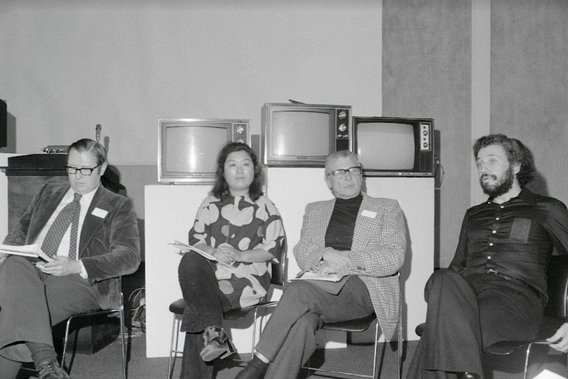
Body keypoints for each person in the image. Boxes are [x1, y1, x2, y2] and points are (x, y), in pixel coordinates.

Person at [407, 134, 568, 379]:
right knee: (441, 279)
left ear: (515, 166)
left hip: (516, 302)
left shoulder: (546, 208)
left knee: (439, 334)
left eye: (492, 161)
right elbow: (457, 267)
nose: (483, 168)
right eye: (480, 162)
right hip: (470, 296)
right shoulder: (474, 215)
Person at [236, 150, 407, 379]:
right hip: (320, 288)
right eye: (340, 172)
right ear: (329, 180)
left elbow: (394, 256)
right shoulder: (315, 210)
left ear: (361, 175)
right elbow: (302, 252)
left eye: (353, 170)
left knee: (297, 291)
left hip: (365, 288)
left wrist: (345, 260)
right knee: (303, 323)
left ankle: (256, 366)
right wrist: (326, 253)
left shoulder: (387, 207)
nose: (348, 177)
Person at [0, 138, 140, 379]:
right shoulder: (49, 192)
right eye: (71, 168)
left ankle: (44, 363)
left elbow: (129, 257)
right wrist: (7, 250)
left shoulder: (118, 205)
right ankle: (47, 364)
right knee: (13, 264)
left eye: (85, 169)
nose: (77, 176)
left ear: (102, 169)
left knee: (15, 315)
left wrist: (76, 265)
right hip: (31, 270)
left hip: (79, 279)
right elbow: (20, 232)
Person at [177, 142, 286, 379]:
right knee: (190, 260)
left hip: (248, 278)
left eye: (245, 164)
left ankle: (214, 334)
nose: (239, 170)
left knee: (198, 308)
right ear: (223, 171)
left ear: (255, 171)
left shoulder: (266, 206)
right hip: (211, 274)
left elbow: (272, 249)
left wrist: (240, 255)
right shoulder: (209, 203)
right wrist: (214, 253)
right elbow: (196, 240)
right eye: (232, 165)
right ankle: (215, 333)